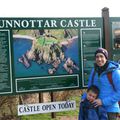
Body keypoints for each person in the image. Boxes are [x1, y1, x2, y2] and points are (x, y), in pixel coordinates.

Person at [84, 48, 120, 120]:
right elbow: (90, 88)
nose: (99, 59)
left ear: (106, 58)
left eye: (101, 56)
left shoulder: (115, 72)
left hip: (110, 110)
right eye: (97, 57)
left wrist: (103, 102)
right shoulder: (94, 71)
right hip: (95, 109)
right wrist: (84, 97)